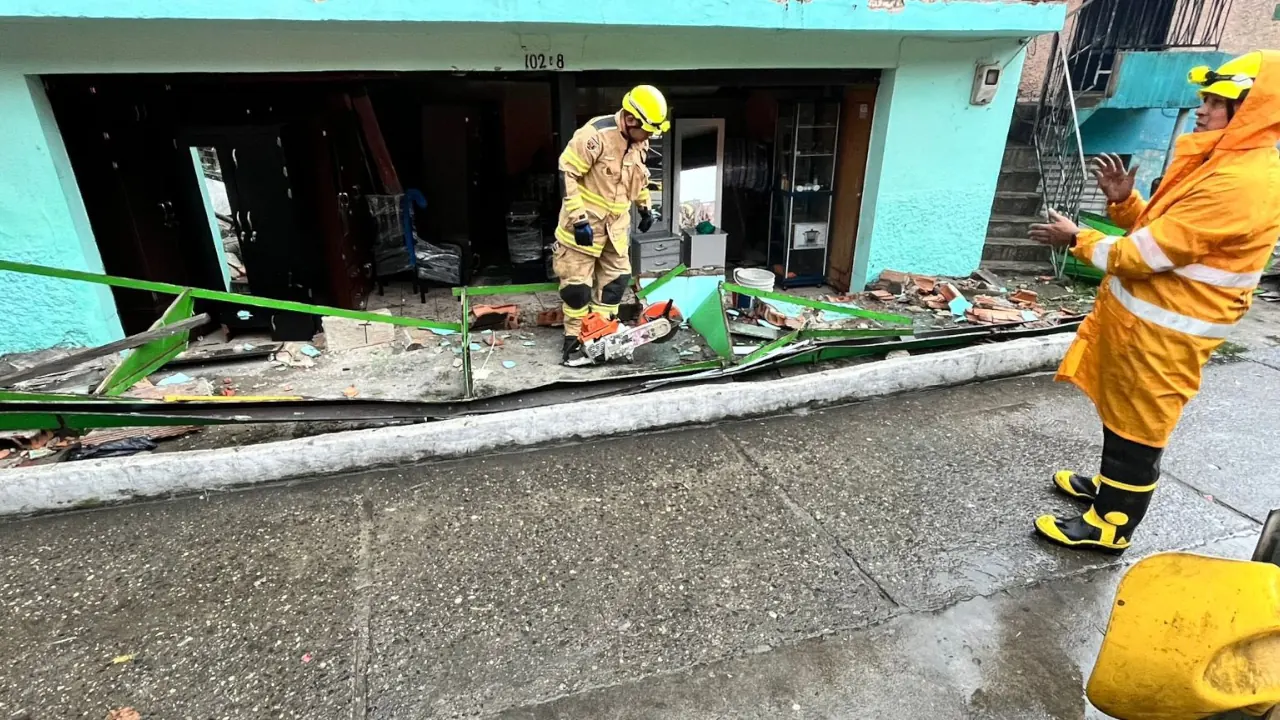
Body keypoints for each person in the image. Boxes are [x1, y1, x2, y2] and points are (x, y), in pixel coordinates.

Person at [1027, 50, 1280, 553]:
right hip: (1146, 327)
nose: (1203, 109)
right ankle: (1108, 490)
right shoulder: (1221, 165)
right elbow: (1166, 234)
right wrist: (1126, 201)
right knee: (1121, 416)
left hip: (1168, 334)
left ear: (1252, 111)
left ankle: (1111, 524)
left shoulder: (1241, 182)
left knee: (1139, 428)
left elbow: (1142, 255)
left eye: (1215, 102)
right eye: (1206, 99)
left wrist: (1076, 237)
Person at [554, 85, 670, 364]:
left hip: (616, 228)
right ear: (631, 120)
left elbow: (638, 176)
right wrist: (578, 218)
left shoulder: (638, 140)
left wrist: (645, 207)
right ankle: (574, 339)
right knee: (576, 288)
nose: (651, 136)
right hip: (583, 227)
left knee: (616, 283)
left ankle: (603, 334)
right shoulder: (594, 135)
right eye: (649, 129)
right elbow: (567, 175)